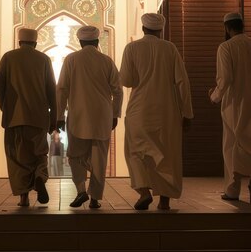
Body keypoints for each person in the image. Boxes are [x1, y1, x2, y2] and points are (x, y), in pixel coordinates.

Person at [120, 13, 193, 211]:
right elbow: (182, 82)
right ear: (161, 30)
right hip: (167, 112)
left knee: (136, 152)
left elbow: (126, 80)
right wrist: (187, 113)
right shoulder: (170, 48)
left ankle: (144, 192)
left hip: (139, 111)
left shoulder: (132, 48)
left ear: (143, 29)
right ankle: (164, 201)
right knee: (166, 154)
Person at [57, 25, 123, 209]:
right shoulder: (106, 61)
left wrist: (59, 115)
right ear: (96, 42)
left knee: (76, 155)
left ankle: (81, 191)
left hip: (78, 116)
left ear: (80, 42)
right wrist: (115, 114)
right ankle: (95, 198)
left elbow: (62, 89)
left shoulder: (71, 60)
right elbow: (117, 90)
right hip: (103, 116)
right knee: (99, 158)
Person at [0, 27, 57, 207]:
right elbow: (51, 88)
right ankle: (39, 176)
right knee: (39, 153)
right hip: (39, 117)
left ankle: (24, 197)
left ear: (19, 42)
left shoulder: (9, 57)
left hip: (15, 117)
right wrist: (54, 116)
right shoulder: (43, 59)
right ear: (35, 43)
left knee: (17, 157)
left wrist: (5, 104)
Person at [209, 12, 251, 202]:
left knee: (233, 145)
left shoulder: (226, 47)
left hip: (235, 104)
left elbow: (225, 79)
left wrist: (214, 96)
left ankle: (233, 190)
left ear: (227, 28)